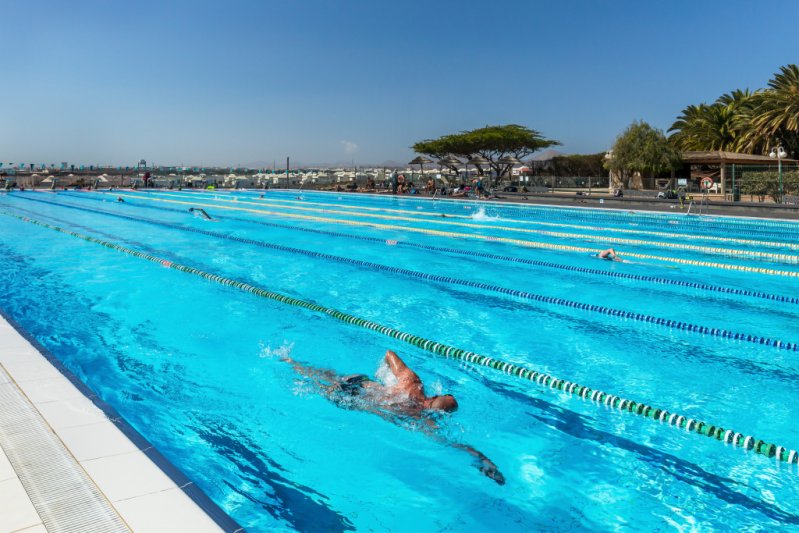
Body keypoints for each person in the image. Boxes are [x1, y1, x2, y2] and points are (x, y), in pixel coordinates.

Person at [280, 349, 504, 484]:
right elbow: (454, 444)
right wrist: (483, 460)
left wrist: (386, 378)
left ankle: (289, 361)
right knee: (319, 386)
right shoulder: (421, 419)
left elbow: (389, 354)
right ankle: (292, 366)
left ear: (437, 394)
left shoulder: (413, 383)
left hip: (358, 383)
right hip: (353, 402)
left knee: (321, 375)